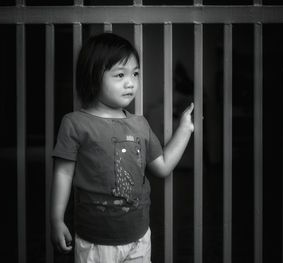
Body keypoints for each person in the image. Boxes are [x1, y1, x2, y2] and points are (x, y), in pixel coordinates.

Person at [50, 32, 194, 263]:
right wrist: (56, 219)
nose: (131, 82)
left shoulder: (140, 123)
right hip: (95, 241)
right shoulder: (75, 123)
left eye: (135, 74)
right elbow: (63, 173)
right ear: (93, 76)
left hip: (139, 238)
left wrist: (185, 129)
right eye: (120, 74)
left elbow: (163, 166)